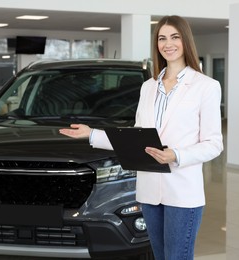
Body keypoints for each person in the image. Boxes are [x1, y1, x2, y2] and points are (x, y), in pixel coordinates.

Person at [59, 15, 223, 260]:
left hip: (182, 191)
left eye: (175, 37)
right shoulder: (148, 87)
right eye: (162, 38)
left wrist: (176, 155)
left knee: (177, 256)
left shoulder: (206, 86)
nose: (168, 44)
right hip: (149, 191)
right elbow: (135, 139)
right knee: (159, 255)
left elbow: (214, 144)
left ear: (185, 41)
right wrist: (91, 134)